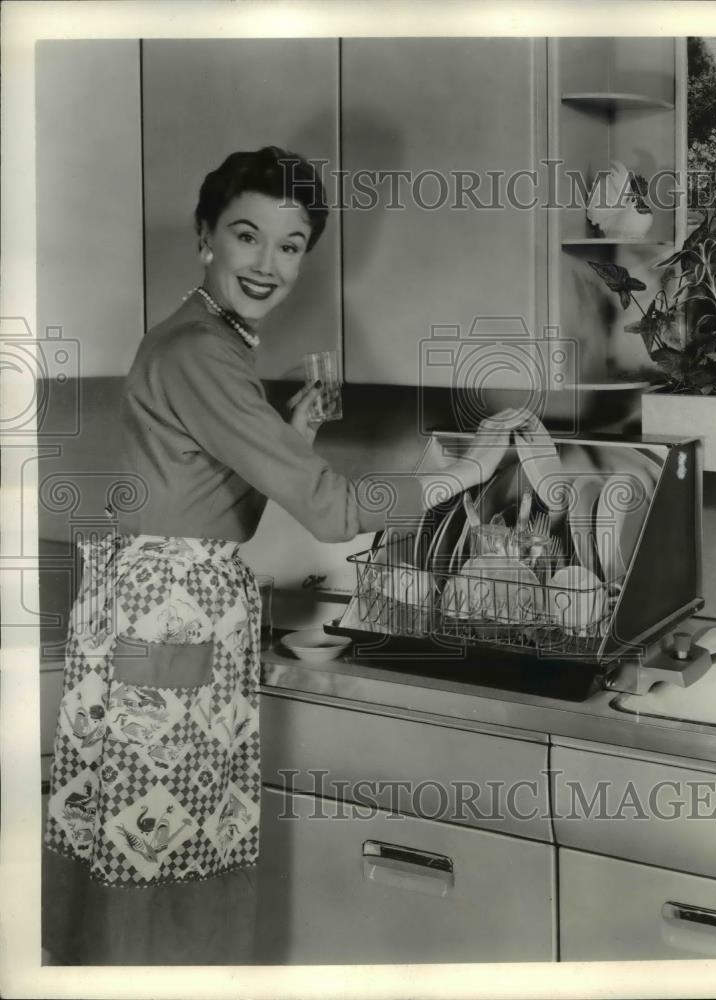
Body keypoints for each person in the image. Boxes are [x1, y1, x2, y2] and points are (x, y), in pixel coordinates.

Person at [42, 145, 531, 964]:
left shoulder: (208, 341)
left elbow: (209, 505)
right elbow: (335, 510)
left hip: (162, 614)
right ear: (205, 238)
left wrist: (291, 433)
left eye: (291, 244)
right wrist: (466, 472)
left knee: (139, 850)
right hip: (172, 619)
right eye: (246, 236)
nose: (267, 264)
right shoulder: (203, 353)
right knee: (165, 855)